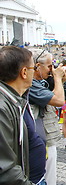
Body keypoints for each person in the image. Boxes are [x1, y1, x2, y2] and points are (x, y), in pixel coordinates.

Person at [29, 48, 66, 185]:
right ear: (37, 66)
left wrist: (61, 80)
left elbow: (51, 96)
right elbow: (58, 100)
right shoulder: (31, 85)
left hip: (44, 135)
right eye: (49, 66)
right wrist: (58, 78)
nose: (51, 69)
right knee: (47, 175)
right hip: (41, 138)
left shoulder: (39, 82)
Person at [0, 46, 38, 184]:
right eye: (34, 68)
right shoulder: (3, 108)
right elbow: (5, 170)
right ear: (24, 72)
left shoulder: (12, 100)